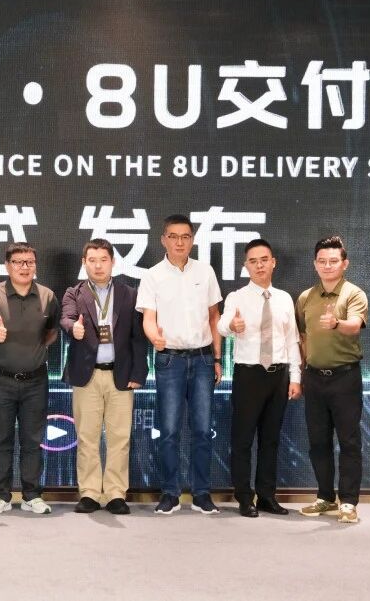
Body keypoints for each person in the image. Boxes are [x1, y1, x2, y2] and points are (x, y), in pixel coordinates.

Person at [136, 214, 223, 515]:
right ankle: (169, 493)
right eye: (173, 236)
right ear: (163, 240)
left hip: (202, 358)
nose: (179, 242)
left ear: (192, 240)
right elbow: (148, 318)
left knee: (202, 430)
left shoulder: (205, 271)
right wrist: (154, 337)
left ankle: (202, 493)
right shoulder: (153, 276)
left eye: (185, 236)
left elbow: (214, 317)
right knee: (169, 430)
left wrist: (217, 358)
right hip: (169, 359)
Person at [61, 239, 148, 515]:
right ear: (84, 263)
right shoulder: (74, 293)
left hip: (120, 376)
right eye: (92, 260)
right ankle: (89, 493)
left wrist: (139, 372)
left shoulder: (129, 294)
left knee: (119, 438)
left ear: (113, 262)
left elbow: (138, 338)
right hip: (87, 376)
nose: (98, 265)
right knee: (87, 438)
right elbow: (66, 318)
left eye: (103, 260)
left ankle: (115, 493)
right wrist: (73, 328)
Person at [218, 239, 302, 518]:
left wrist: (295, 377)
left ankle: (267, 496)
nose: (259, 266)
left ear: (273, 262)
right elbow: (221, 325)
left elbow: (292, 340)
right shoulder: (237, 297)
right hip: (249, 374)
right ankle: (244, 497)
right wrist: (232, 325)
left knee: (271, 440)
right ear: (246, 266)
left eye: (264, 260)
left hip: (279, 375)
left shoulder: (284, 298)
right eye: (253, 261)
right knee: (242, 439)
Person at [0, 243, 60, 514]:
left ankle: (31, 495)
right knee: (1, 439)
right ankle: (0, 496)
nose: (24, 267)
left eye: (29, 262)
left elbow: (52, 331)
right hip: (1, 379)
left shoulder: (47, 296)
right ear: (7, 265)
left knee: (32, 441)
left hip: (36, 380)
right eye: (18, 262)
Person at [296, 235, 369, 524]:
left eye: (333, 261)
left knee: (349, 442)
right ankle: (325, 497)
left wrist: (337, 323)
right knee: (318, 442)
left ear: (344, 263)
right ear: (315, 264)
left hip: (345, 378)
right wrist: (302, 371)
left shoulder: (354, 294)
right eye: (322, 261)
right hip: (314, 378)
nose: (327, 266)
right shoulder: (306, 297)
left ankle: (348, 502)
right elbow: (303, 337)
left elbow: (355, 326)